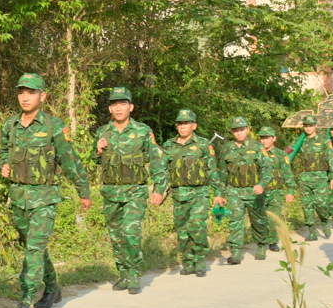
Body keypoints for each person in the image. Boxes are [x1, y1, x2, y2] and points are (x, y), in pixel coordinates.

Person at [0, 74, 92, 308]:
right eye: (21, 92)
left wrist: (84, 192)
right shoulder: (10, 126)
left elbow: (71, 162)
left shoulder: (54, 126)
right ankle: (53, 288)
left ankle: (24, 301)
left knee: (35, 248)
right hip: (19, 198)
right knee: (33, 247)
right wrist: (4, 166)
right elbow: (3, 153)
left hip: (44, 199)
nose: (25, 97)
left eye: (31, 92)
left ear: (43, 96)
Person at [92, 88, 166, 294]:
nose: (118, 108)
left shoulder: (143, 131)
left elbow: (157, 161)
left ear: (131, 107)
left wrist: (159, 188)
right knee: (116, 235)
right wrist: (97, 150)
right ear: (109, 108)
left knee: (130, 232)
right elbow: (94, 160)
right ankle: (123, 273)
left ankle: (133, 273)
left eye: (123, 103)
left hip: (135, 191)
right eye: (115, 104)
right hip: (111, 192)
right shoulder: (102, 132)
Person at [161, 110, 226, 277]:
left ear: (194, 126)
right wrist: (159, 190)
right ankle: (188, 261)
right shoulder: (169, 145)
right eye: (180, 123)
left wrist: (218, 192)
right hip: (178, 194)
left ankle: (199, 259)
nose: (182, 126)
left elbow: (212, 169)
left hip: (199, 193)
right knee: (182, 230)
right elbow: (163, 171)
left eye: (186, 123)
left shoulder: (204, 145)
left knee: (196, 226)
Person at [217, 117, 272, 263]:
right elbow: (223, 173)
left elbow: (267, 169)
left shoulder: (258, 147)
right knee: (235, 221)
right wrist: (220, 194)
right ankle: (235, 252)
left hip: (254, 191)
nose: (239, 133)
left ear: (247, 129)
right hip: (234, 191)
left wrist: (262, 184)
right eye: (236, 130)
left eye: (242, 129)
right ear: (231, 131)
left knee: (258, 220)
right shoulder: (226, 148)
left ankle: (261, 244)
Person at [291, 115, 333, 241]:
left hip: (320, 177)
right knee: (307, 205)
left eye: (311, 125)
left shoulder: (324, 139)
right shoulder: (300, 140)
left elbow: (330, 158)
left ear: (315, 125)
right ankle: (312, 231)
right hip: (304, 177)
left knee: (321, 203)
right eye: (306, 125)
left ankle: (324, 221)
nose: (308, 128)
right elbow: (289, 152)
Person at [258, 126, 296, 249]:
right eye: (262, 138)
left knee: (274, 218)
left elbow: (287, 173)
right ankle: (261, 242)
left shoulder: (281, 154)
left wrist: (290, 190)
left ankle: (273, 241)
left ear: (274, 138)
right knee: (261, 219)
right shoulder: (256, 153)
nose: (264, 141)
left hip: (276, 192)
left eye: (267, 138)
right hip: (260, 192)